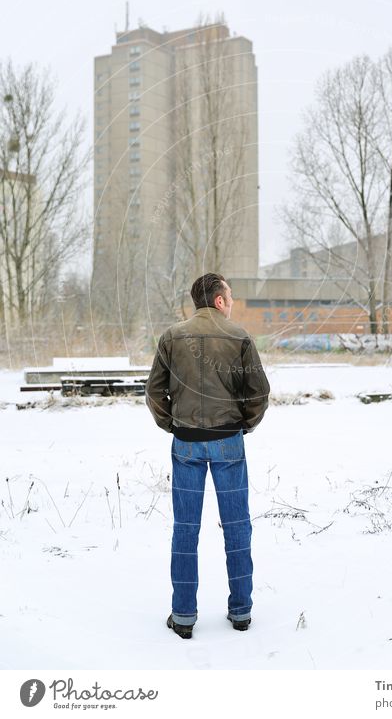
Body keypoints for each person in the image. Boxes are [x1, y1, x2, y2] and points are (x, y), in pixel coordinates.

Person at [145, 272, 270, 639]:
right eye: (229, 297)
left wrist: (173, 424)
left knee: (185, 528)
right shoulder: (240, 337)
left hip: (186, 443)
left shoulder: (171, 337)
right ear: (218, 300)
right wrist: (242, 425)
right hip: (228, 441)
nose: (231, 302)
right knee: (237, 526)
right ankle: (241, 610)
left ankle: (183, 615)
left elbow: (154, 392)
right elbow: (259, 393)